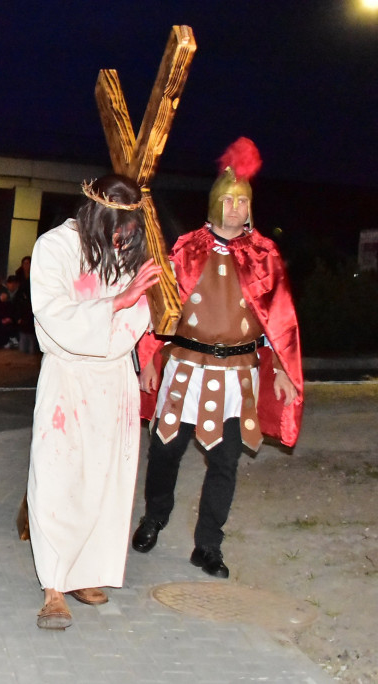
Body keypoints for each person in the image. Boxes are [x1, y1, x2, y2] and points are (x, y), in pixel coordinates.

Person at [132, 138, 303, 578]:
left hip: (236, 378)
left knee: (225, 464)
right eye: (226, 200)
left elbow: (280, 318)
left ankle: (208, 545)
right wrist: (150, 358)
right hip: (184, 368)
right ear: (214, 204)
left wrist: (283, 368)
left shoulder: (264, 254)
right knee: (165, 453)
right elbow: (160, 306)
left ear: (249, 207)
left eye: (241, 201)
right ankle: (154, 519)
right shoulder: (187, 247)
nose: (233, 208)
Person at [26, 174, 162, 630]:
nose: (123, 237)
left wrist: (128, 314)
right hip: (67, 380)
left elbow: (140, 311)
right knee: (58, 477)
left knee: (107, 481)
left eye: (130, 228)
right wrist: (115, 304)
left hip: (114, 380)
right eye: (116, 226)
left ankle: (86, 572)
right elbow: (51, 313)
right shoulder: (55, 247)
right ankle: (52, 586)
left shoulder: (127, 248)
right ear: (96, 214)